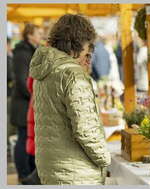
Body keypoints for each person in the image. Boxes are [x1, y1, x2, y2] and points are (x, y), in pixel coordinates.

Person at [29, 14, 111, 185]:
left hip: (51, 166)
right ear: (79, 43)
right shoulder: (72, 74)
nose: (89, 54)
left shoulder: (47, 70)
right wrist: (105, 158)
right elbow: (85, 129)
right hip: (75, 171)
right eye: (88, 47)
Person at [10, 23, 42, 184]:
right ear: (29, 35)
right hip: (23, 104)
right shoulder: (22, 52)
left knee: (27, 138)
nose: (41, 35)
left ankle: (28, 174)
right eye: (38, 32)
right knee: (23, 139)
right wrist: (36, 97)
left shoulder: (31, 50)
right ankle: (23, 175)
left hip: (28, 102)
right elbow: (23, 82)